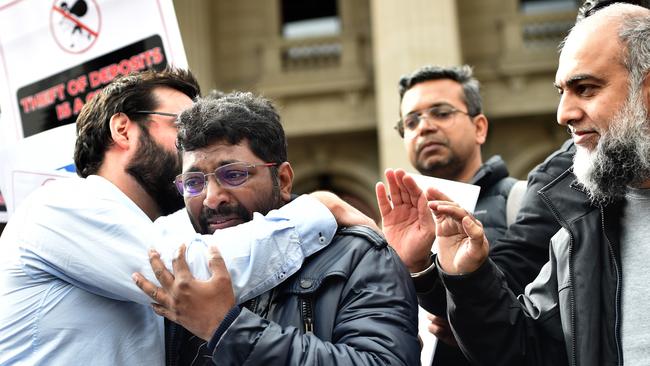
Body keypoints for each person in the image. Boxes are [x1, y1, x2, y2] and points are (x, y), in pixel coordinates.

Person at [0, 68, 371, 365]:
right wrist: (319, 209)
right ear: (123, 129)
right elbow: (195, 275)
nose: (193, 146)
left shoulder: (149, 230)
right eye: (181, 125)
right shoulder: (63, 204)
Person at [425, 4, 650, 365]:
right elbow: (527, 350)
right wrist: (468, 276)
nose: (564, 114)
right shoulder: (577, 234)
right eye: (562, 91)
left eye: (587, 89)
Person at [132, 92, 421, 365]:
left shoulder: (359, 255)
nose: (211, 197)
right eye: (194, 182)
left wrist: (228, 329)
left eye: (233, 175)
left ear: (282, 180)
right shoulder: (178, 269)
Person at [395, 64, 519, 364]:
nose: (423, 127)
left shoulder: (522, 201)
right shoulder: (397, 224)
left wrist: (469, 322)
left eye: (441, 113)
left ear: (479, 127)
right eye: (411, 122)